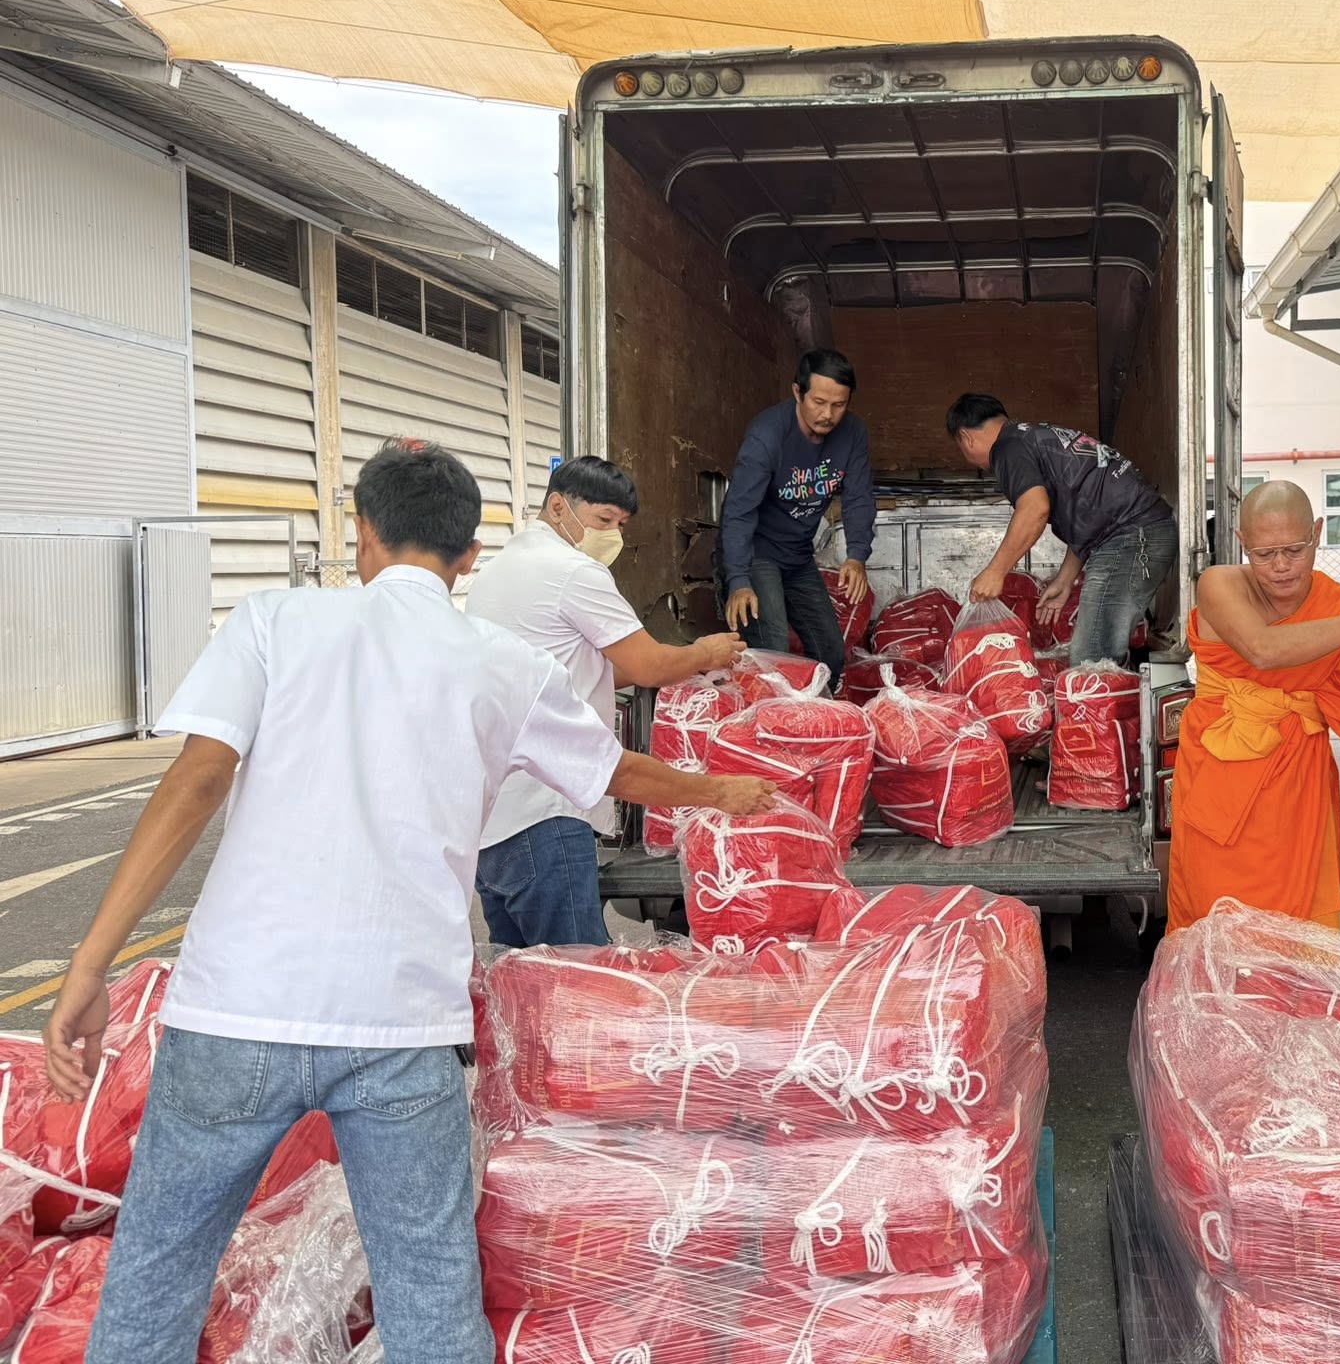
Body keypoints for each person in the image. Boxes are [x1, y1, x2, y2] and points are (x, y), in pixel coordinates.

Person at [44, 440, 775, 1364]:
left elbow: (196, 781)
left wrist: (89, 963)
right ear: (470, 556)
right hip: (401, 1032)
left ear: (361, 539)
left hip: (234, 1013)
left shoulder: (273, 621)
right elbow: (616, 770)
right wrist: (725, 794)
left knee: (154, 1279)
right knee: (430, 1302)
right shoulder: (504, 666)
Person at [465, 454, 746, 947]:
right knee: (582, 986)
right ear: (558, 507)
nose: (612, 535)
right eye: (602, 520)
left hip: (492, 823)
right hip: (546, 816)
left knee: (519, 988)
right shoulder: (572, 572)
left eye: (619, 524)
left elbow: (576, 671)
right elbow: (648, 667)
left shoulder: (497, 570)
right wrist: (706, 652)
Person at [1165, 481, 1340, 932]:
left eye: (1294, 550)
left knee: (1301, 917)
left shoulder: (1336, 608)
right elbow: (1263, 649)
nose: (1279, 567)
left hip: (1299, 780)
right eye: (1263, 553)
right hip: (1222, 777)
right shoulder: (1218, 584)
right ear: (1241, 544)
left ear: (1317, 533)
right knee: (1218, 913)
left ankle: (1302, 1004)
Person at [946, 393, 1176, 667]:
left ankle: (1101, 708)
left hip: (1133, 536)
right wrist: (1065, 580)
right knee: (1096, 656)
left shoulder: (1007, 448)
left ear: (966, 437)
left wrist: (995, 572)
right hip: (1137, 532)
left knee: (1092, 659)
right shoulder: (1034, 436)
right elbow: (1088, 517)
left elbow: (1034, 509)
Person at [722, 349, 875, 687]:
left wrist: (857, 555)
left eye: (839, 405)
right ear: (797, 392)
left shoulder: (853, 433)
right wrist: (738, 579)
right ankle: (772, 729)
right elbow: (738, 511)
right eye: (819, 402)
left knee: (831, 653)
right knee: (774, 651)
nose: (828, 414)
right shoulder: (767, 435)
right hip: (757, 555)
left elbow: (859, 496)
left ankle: (820, 725)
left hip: (797, 556)